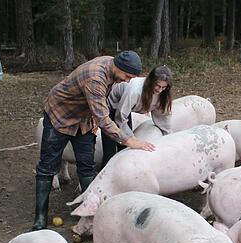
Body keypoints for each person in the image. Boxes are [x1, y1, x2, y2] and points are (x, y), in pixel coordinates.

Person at [32, 51, 155, 231]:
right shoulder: (95, 77)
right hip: (60, 116)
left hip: (83, 118)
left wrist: (93, 119)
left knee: (87, 165)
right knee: (48, 166)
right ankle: (40, 217)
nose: (128, 81)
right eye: (127, 76)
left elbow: (100, 102)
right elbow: (104, 119)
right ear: (118, 67)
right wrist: (129, 140)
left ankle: (91, 213)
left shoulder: (111, 66)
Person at [100, 65, 174, 169]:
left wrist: (168, 136)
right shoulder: (135, 90)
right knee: (110, 150)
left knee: (125, 148)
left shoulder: (162, 94)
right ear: (151, 81)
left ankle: (124, 172)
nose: (160, 90)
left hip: (125, 109)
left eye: (164, 87)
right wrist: (132, 140)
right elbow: (120, 117)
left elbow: (162, 117)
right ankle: (105, 173)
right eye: (157, 85)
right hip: (110, 107)